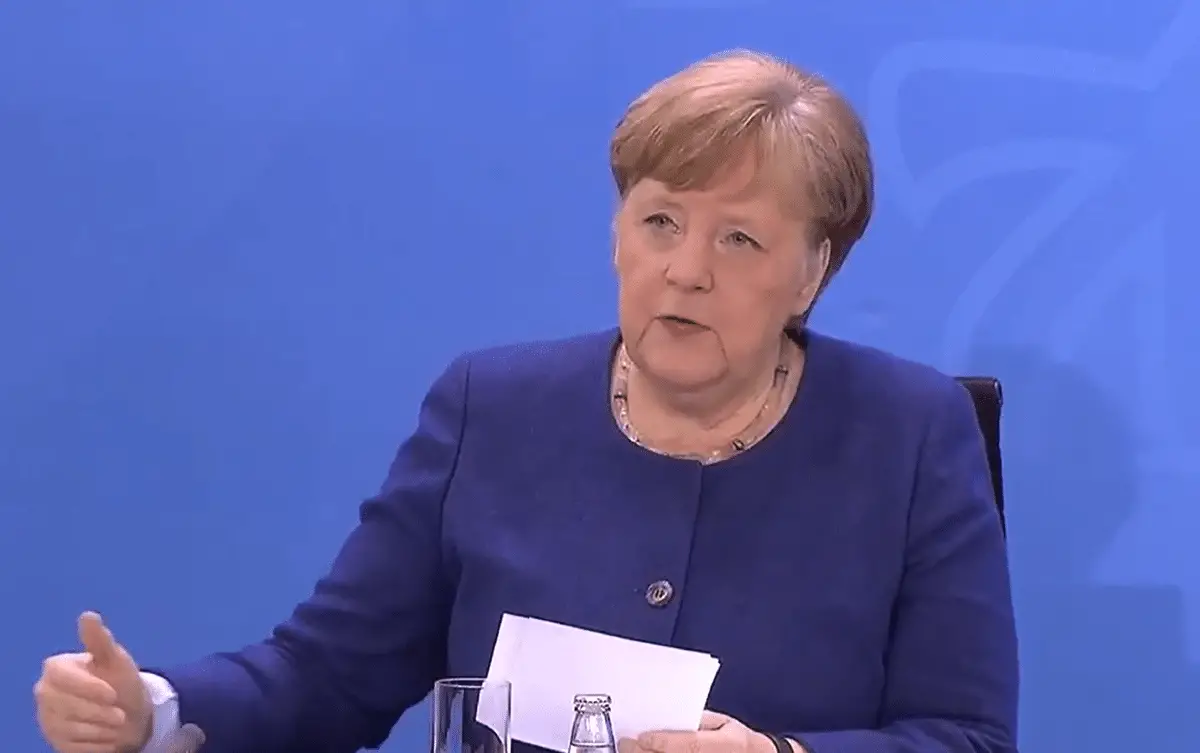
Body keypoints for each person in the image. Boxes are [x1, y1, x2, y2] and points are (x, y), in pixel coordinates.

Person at [34, 49, 1018, 753]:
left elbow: (964, 735)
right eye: (660, 220)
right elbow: (328, 672)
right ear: (617, 235)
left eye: (739, 239)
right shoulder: (492, 409)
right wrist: (150, 709)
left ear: (810, 273)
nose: (685, 270)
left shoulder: (909, 435)